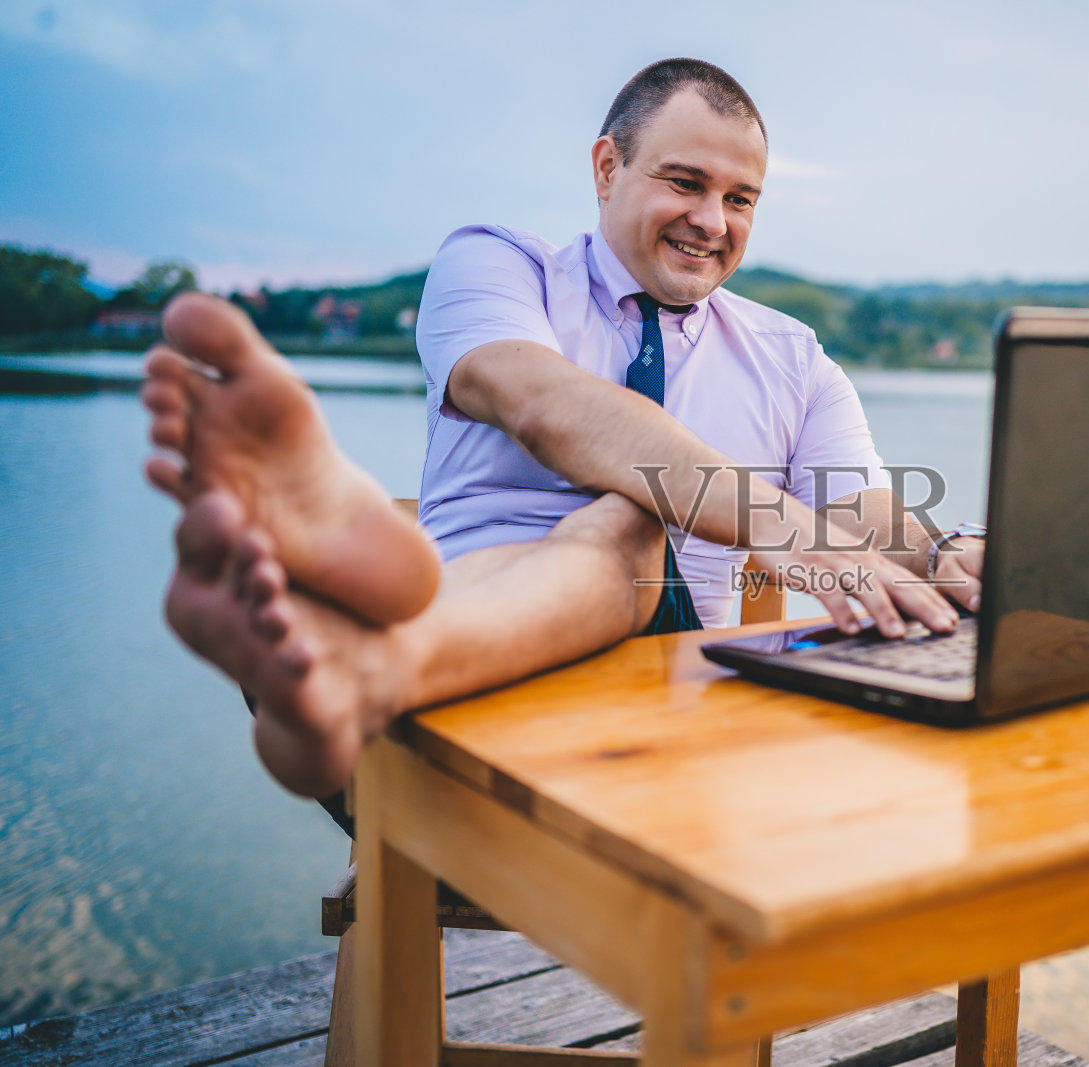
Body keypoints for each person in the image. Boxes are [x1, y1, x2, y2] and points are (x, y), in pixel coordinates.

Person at [143, 58, 985, 802]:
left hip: (668, 729)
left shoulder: (793, 359)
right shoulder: (498, 265)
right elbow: (542, 402)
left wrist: (948, 552)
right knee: (634, 513)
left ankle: (344, 647)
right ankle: (358, 654)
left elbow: (857, 513)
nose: (713, 222)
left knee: (640, 529)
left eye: (740, 199)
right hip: (472, 689)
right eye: (685, 182)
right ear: (607, 167)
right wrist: (784, 527)